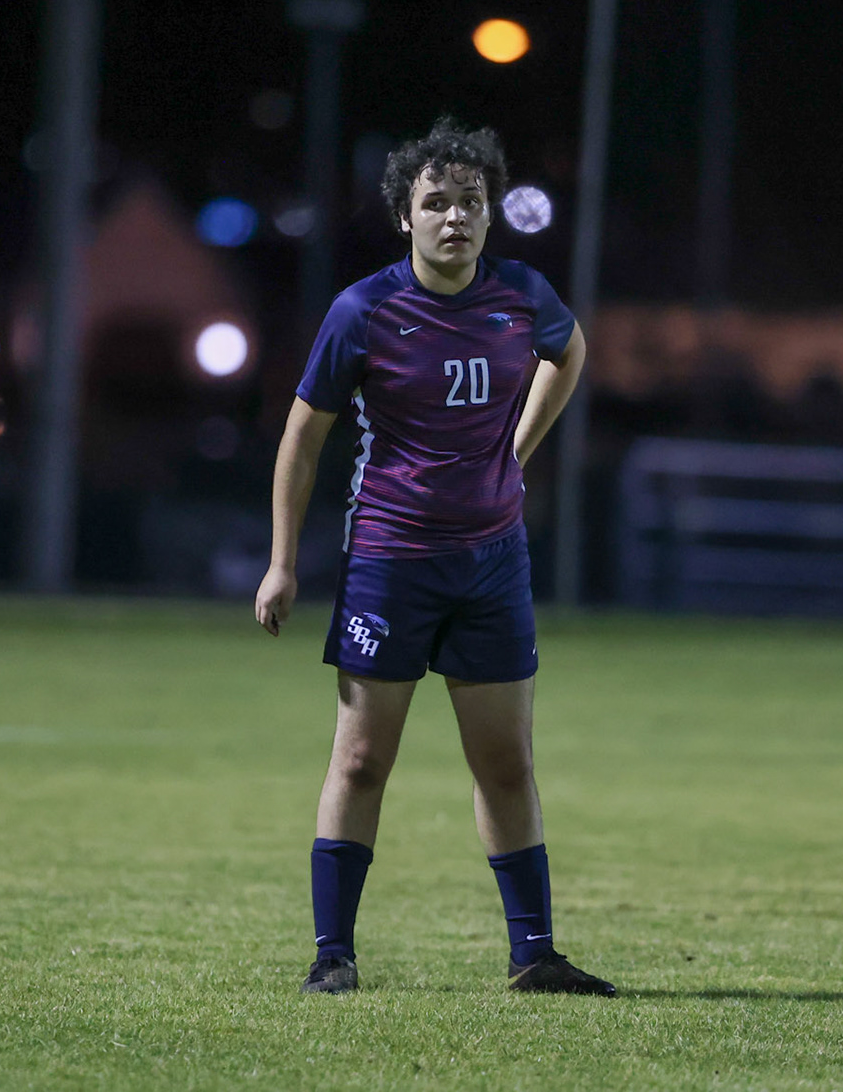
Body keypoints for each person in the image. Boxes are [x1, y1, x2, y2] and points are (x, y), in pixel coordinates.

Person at [254, 117, 614, 997]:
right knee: (361, 760)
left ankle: (534, 954)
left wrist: (517, 450)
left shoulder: (522, 295)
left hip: (493, 566)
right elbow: (303, 437)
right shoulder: (365, 312)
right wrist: (282, 562)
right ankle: (331, 955)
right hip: (389, 562)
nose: (454, 217)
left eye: (471, 202)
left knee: (505, 763)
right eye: (436, 203)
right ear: (405, 218)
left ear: (490, 218)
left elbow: (567, 355)